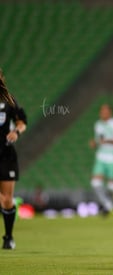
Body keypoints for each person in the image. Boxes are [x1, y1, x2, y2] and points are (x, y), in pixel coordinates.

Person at [0, 69, 27, 249]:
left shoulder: (8, 99)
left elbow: (22, 121)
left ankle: (8, 237)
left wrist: (16, 132)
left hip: (6, 154)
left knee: (6, 200)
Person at [89, 104, 113, 218]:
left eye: (105, 111)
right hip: (101, 157)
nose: (103, 113)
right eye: (102, 111)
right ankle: (108, 204)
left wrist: (108, 141)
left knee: (112, 186)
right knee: (95, 183)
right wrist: (95, 143)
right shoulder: (98, 125)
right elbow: (99, 140)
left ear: (110, 112)